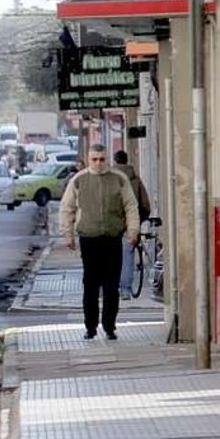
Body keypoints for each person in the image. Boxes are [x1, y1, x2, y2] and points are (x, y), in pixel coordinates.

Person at [59, 145, 140, 340]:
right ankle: (90, 326)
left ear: (107, 159)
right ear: (89, 160)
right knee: (90, 284)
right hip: (89, 238)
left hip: (112, 238)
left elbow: (130, 206)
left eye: (102, 159)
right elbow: (67, 208)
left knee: (111, 285)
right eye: (94, 159)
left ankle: (110, 326)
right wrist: (67, 234)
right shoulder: (79, 180)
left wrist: (133, 230)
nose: (98, 163)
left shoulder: (119, 179)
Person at [113, 150, 152, 299]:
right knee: (128, 256)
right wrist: (140, 220)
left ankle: (110, 287)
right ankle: (125, 289)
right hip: (131, 224)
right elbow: (145, 205)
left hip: (111, 224)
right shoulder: (135, 179)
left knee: (110, 256)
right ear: (127, 160)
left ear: (115, 161)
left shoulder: (109, 178)